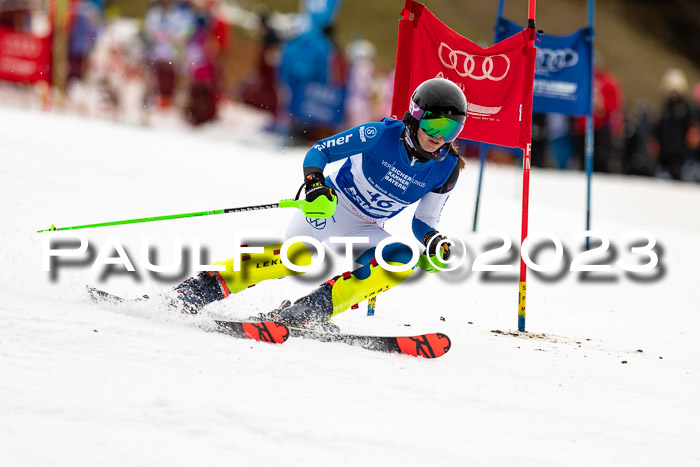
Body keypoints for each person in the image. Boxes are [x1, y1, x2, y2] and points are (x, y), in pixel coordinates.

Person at [166, 78, 467, 327]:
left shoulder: (447, 167)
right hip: (331, 208)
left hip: (365, 227)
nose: (439, 137)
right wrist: (315, 186)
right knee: (297, 258)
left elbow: (424, 222)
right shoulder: (379, 135)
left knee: (400, 259)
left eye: (451, 129)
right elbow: (319, 152)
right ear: (414, 116)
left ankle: (309, 312)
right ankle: (197, 290)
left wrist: (433, 241)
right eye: (434, 125)